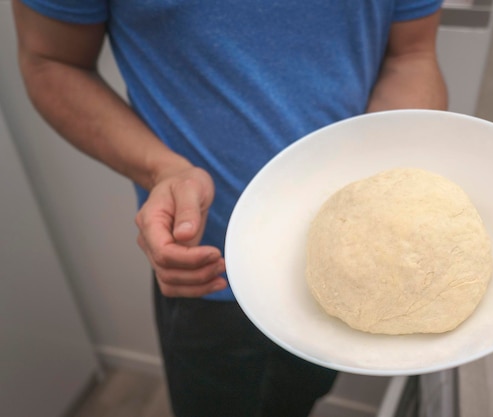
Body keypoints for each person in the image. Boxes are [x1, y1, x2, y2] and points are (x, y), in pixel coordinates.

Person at [12, 1, 448, 416]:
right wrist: (162, 170)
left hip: (350, 269)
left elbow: (411, 53)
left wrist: (379, 181)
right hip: (212, 271)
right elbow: (50, 61)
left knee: (299, 397)